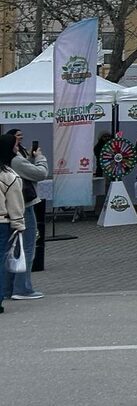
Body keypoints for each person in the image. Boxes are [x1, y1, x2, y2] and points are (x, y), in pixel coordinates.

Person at [4, 130, 47, 301]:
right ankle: (22, 288)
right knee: (26, 247)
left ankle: (8, 287)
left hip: (7, 209)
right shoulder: (15, 160)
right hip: (23, 206)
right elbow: (40, 173)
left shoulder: (5, 161)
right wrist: (40, 158)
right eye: (15, 142)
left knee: (9, 249)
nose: (18, 145)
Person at [1, 133, 29, 314]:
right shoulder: (9, 176)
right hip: (3, 222)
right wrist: (19, 225)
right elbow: (15, 204)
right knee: (1, 261)